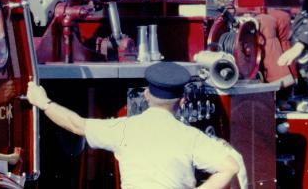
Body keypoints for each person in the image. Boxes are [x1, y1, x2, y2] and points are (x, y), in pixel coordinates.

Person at [27, 61, 245, 189]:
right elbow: (231, 167)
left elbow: (77, 125)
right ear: (183, 101)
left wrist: (43, 103)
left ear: (147, 95)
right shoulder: (192, 138)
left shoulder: (123, 130)